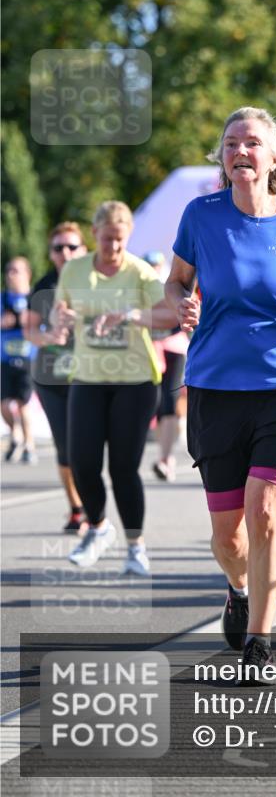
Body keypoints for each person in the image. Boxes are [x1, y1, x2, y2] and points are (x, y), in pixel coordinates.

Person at [165, 106, 276, 682]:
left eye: (253, 142)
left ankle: (260, 641)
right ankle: (237, 588)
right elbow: (176, 282)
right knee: (228, 534)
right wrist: (180, 304)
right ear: (223, 156)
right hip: (215, 385)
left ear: (273, 157)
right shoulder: (200, 216)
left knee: (267, 515)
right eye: (232, 142)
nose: (242, 151)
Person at [52, 201, 177, 575]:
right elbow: (61, 312)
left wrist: (131, 315)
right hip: (89, 377)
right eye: (108, 240)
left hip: (135, 381)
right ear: (95, 235)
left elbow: (170, 315)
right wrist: (62, 319)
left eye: (121, 241)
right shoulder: (74, 269)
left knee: (123, 468)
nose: (114, 248)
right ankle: (99, 527)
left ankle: (136, 547)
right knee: (82, 463)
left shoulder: (139, 272)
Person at [23, 223, 87, 530]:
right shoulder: (43, 286)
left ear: (84, 250)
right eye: (59, 248)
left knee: (86, 445)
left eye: (72, 247)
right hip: (51, 379)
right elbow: (30, 331)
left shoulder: (93, 281)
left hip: (90, 376)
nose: (65, 253)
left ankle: (90, 503)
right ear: (51, 254)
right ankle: (77, 507)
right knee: (65, 446)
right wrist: (50, 336)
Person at [143, 251, 188, 483]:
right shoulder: (142, 288)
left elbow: (181, 314)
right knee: (158, 403)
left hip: (174, 348)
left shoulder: (171, 285)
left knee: (169, 401)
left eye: (157, 264)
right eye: (149, 264)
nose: (153, 268)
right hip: (151, 349)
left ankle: (166, 458)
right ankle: (164, 453)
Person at [1, 257, 37, 464]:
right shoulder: (3, 299)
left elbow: (43, 326)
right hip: (5, 359)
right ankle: (14, 434)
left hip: (27, 359)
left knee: (23, 403)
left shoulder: (34, 298)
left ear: (27, 274)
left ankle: (29, 444)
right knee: (5, 404)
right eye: (9, 270)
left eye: (16, 270)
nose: (11, 274)